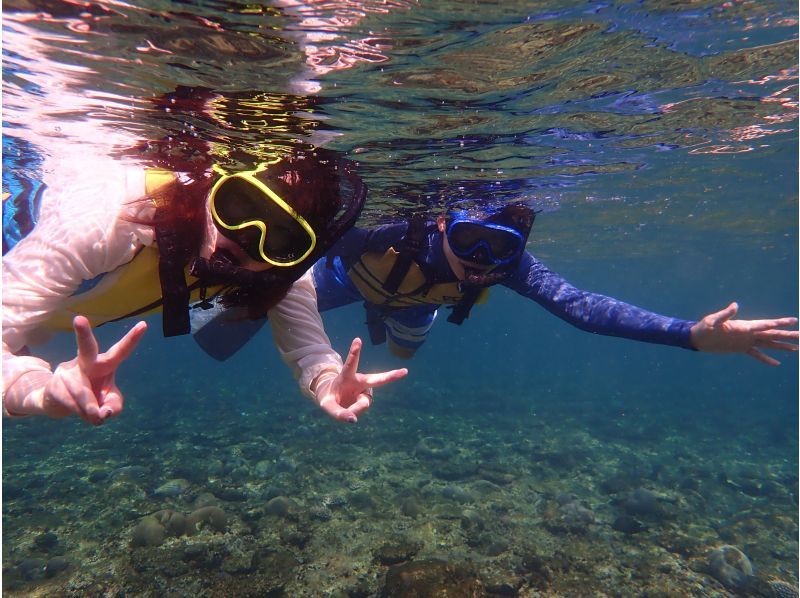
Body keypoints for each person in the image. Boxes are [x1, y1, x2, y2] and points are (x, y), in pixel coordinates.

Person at [2, 145, 408, 426]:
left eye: (282, 237)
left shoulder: (279, 269)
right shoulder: (111, 219)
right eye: (240, 206)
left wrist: (329, 382)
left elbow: (310, 350)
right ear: (212, 186)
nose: (246, 237)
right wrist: (35, 390)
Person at [312, 204, 798, 362]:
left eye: (500, 248)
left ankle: (403, 321)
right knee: (274, 301)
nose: (481, 262)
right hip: (347, 281)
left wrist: (689, 334)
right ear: (442, 224)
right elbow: (306, 242)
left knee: (401, 356)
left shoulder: (513, 269)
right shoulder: (389, 233)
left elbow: (581, 307)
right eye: (470, 240)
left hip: (416, 308)